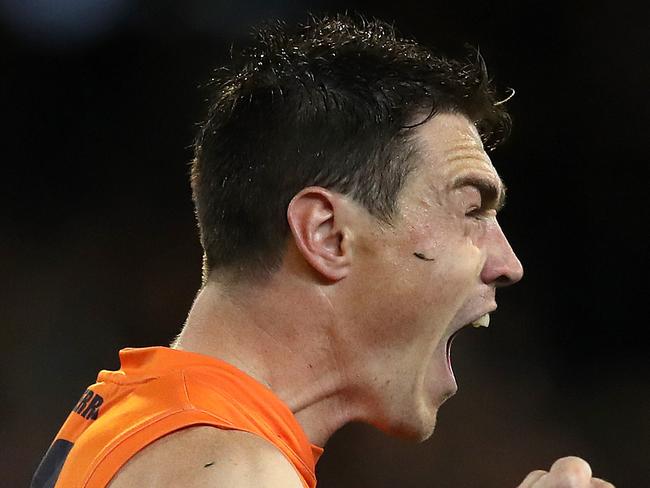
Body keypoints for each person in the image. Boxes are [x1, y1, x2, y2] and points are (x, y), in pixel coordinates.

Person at [32, 14, 614, 488]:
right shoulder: (230, 470)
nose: (508, 263)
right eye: (471, 211)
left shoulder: (149, 422)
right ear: (327, 235)